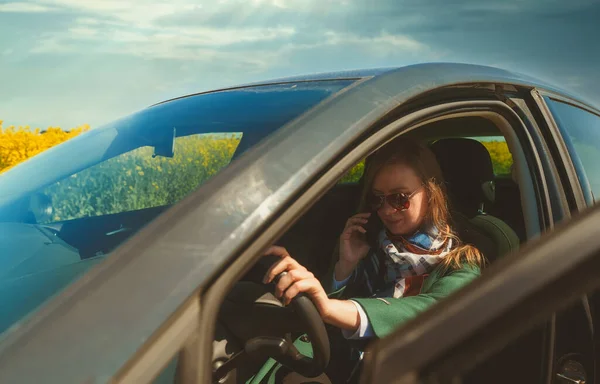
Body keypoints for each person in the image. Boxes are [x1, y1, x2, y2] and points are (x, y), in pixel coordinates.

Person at [255, 137, 485, 383]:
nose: (386, 210)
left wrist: (328, 306)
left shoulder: (463, 263)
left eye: (399, 198)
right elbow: (327, 331)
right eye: (378, 199)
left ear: (431, 192)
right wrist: (346, 265)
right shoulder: (375, 250)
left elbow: (427, 313)